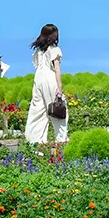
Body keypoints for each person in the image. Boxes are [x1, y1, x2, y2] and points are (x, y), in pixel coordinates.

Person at [25, 23, 67, 151]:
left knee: (38, 111)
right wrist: (59, 88)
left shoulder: (38, 51)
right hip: (50, 79)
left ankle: (35, 141)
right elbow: (57, 69)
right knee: (58, 109)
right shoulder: (54, 49)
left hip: (38, 79)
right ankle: (61, 140)